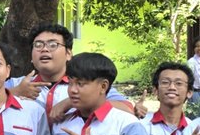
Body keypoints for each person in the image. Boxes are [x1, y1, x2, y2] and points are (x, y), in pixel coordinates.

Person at [10, 23, 141, 120]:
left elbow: (127, 109)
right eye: (38, 45)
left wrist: (69, 102)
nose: (44, 49)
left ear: (68, 54)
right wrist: (16, 92)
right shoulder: (17, 84)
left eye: (53, 45)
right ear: (31, 56)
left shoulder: (89, 84)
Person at [146, 62, 194, 135]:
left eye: (179, 83)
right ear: (155, 90)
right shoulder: (142, 126)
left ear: (189, 92)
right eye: (165, 82)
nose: (172, 87)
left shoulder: (193, 130)